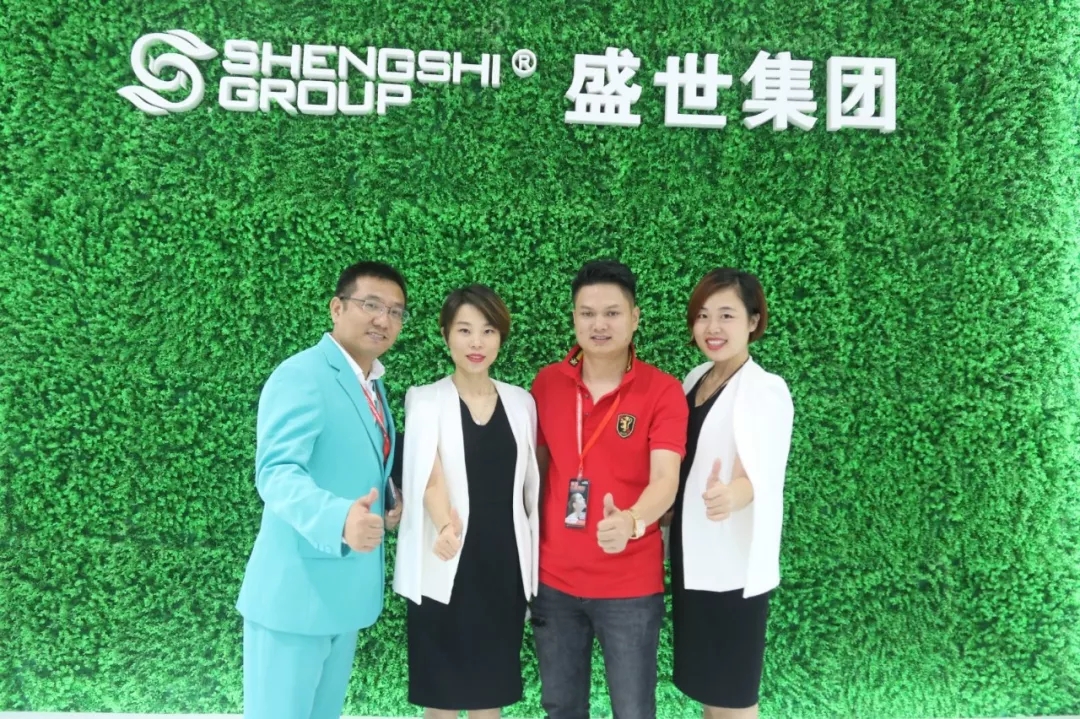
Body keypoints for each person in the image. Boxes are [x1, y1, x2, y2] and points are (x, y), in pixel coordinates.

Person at [235, 260, 408, 719]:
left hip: (342, 596)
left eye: (395, 311)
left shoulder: (372, 384)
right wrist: (339, 519)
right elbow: (277, 472)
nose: (383, 319)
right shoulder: (303, 374)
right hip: (294, 597)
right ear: (336, 307)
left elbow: (354, 465)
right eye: (371, 305)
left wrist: (388, 506)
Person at [528, 259, 689, 719]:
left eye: (612, 313)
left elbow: (666, 479)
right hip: (553, 581)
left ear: (635, 318)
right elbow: (535, 475)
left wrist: (633, 521)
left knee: (633, 710)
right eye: (587, 313)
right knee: (561, 707)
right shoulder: (546, 384)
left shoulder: (662, 391)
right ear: (574, 317)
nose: (599, 324)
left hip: (630, 586)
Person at [392, 284, 541, 719]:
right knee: (440, 699)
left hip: (504, 567)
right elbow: (428, 473)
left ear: (500, 338)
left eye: (488, 331)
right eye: (464, 330)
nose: (477, 342)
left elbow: (530, 487)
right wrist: (445, 525)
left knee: (488, 696)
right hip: (445, 561)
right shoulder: (425, 399)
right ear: (445, 335)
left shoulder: (521, 402)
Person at [666, 268, 795, 719]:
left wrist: (732, 495)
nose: (712, 328)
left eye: (726, 315)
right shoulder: (694, 379)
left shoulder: (765, 388)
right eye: (703, 315)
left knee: (734, 695)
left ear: (753, 321)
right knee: (710, 688)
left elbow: (764, 471)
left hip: (732, 566)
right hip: (692, 554)